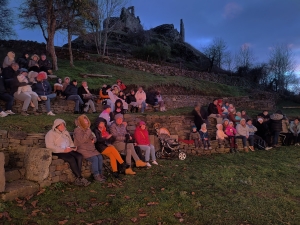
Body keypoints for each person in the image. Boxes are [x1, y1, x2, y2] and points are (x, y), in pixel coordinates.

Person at [45, 118, 90, 186]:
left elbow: (70, 141)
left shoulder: (65, 132)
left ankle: (78, 177)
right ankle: (80, 177)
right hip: (58, 151)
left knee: (79, 156)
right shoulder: (50, 134)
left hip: (67, 149)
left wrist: (73, 147)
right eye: (61, 125)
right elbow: (49, 146)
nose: (63, 126)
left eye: (64, 125)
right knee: (71, 158)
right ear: (56, 126)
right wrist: (63, 150)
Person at [73, 115, 106, 183]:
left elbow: (93, 137)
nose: (87, 122)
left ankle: (100, 173)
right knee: (94, 158)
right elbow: (81, 140)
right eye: (84, 121)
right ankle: (96, 175)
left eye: (87, 120)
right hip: (82, 149)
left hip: (91, 148)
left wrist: (94, 139)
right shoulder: (77, 130)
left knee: (99, 157)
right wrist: (88, 131)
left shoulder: (87, 129)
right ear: (81, 122)